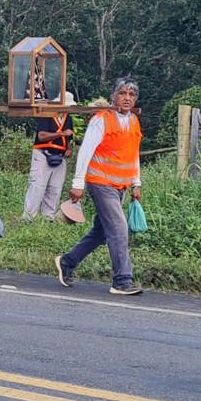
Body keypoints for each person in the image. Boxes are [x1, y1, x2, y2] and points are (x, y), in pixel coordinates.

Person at [54, 78, 143, 295]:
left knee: (102, 232)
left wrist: (136, 183)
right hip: (100, 183)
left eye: (131, 95)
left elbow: (134, 155)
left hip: (121, 185)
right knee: (119, 229)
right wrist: (78, 183)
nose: (127, 98)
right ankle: (122, 280)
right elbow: (85, 151)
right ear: (114, 96)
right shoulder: (101, 120)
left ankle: (67, 261)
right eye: (123, 93)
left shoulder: (133, 122)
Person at [21, 91, 76, 222]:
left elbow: (70, 137)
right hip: (43, 154)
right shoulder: (46, 114)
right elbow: (41, 136)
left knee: (55, 188)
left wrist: (68, 148)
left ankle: (48, 218)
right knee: (37, 186)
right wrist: (61, 133)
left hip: (60, 156)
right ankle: (28, 218)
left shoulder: (68, 118)